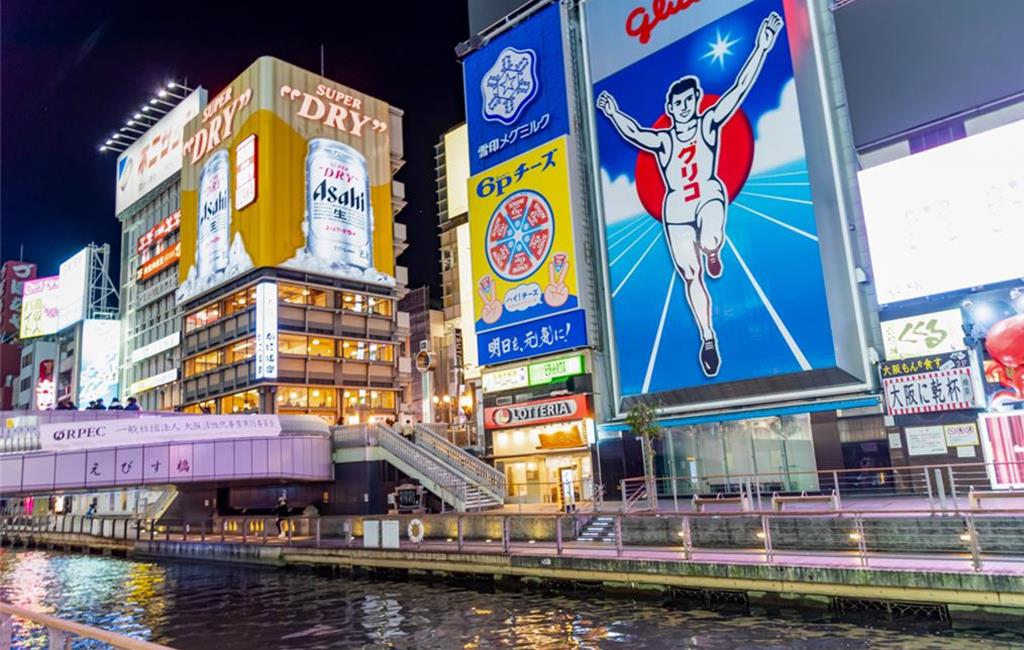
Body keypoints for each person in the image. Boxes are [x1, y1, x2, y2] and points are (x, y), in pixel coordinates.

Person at [596, 11, 784, 378]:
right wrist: (613, 112)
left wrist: (762, 47)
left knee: (711, 234)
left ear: (696, 100)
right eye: (678, 103)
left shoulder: (708, 123)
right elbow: (634, 132)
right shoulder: (664, 140)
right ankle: (708, 337)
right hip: (677, 209)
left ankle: (712, 248)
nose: (684, 107)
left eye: (689, 100)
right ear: (670, 108)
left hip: (708, 194)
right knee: (690, 274)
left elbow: (739, 89)